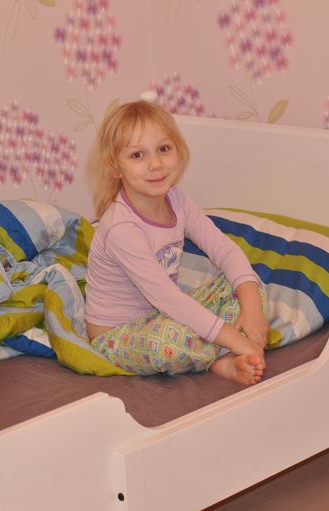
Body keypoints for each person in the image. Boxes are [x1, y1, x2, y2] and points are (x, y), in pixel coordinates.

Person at [84, 101, 269, 385]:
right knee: (170, 341)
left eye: (163, 149)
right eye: (137, 155)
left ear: (178, 151)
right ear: (115, 167)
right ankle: (218, 361)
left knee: (249, 285)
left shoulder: (176, 198)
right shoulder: (121, 228)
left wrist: (252, 309)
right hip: (118, 335)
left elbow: (224, 250)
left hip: (165, 313)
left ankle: (215, 350)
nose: (155, 164)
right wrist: (235, 338)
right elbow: (168, 299)